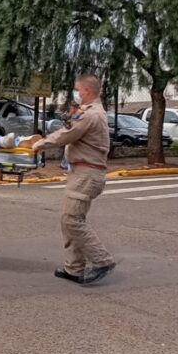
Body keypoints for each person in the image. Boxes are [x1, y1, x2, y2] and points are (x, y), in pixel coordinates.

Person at [32, 74, 116, 286]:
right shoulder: (88, 112)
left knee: (71, 220)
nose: (77, 94)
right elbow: (72, 129)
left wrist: (39, 144)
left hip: (86, 174)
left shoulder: (91, 114)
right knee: (69, 219)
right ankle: (74, 268)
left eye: (78, 90)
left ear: (87, 91)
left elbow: (66, 135)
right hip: (83, 172)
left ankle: (102, 260)